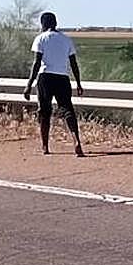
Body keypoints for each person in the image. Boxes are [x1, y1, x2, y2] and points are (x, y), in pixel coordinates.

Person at [22, 12, 85, 157]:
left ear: (43, 24)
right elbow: (73, 63)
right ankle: (76, 140)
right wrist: (78, 83)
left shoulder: (41, 38)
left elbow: (36, 62)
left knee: (44, 111)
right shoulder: (66, 40)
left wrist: (29, 84)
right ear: (55, 23)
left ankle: (45, 146)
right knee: (67, 109)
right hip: (62, 78)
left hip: (45, 77)